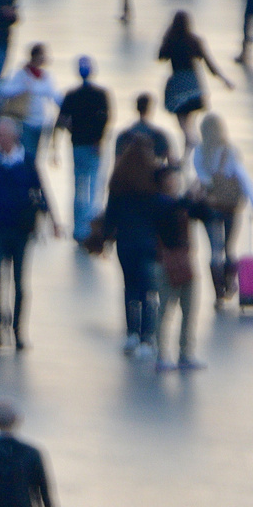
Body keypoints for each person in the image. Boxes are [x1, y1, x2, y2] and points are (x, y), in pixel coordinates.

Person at [0, 118, 58, 350]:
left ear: (13, 137)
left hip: (21, 231)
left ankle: (18, 330)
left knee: (20, 283)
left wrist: (52, 219)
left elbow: (41, 189)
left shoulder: (27, 161)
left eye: (2, 136)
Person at [97, 136, 163, 358]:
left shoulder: (119, 181)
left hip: (125, 243)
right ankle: (148, 336)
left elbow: (111, 215)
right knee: (149, 290)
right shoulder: (154, 181)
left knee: (130, 288)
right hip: (149, 242)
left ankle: (131, 333)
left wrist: (104, 239)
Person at [191, 113, 253, 307]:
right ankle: (230, 283)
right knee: (229, 248)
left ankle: (218, 294)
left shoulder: (199, 151)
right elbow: (242, 176)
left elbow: (201, 176)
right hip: (230, 207)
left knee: (214, 250)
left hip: (210, 205)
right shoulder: (230, 151)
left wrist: (209, 186)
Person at [152, 166, 208, 370]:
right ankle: (161, 353)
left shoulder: (178, 202)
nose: (175, 182)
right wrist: (190, 197)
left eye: (176, 178)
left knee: (190, 309)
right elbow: (172, 209)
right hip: (165, 262)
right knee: (164, 309)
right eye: (171, 179)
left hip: (184, 260)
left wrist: (200, 199)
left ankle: (186, 352)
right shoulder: (158, 201)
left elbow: (203, 214)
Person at [54, 56, 112, 245]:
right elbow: (106, 118)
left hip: (77, 145)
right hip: (94, 146)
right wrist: (99, 138)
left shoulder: (71, 95)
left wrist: (56, 144)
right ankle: (91, 227)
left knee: (79, 186)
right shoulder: (100, 94)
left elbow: (61, 120)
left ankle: (78, 228)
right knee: (94, 186)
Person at [157, 12, 232, 151]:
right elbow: (210, 64)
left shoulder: (171, 40)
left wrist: (166, 35)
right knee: (190, 118)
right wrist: (224, 79)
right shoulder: (195, 40)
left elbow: (160, 56)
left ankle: (190, 139)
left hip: (178, 82)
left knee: (181, 117)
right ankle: (190, 142)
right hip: (194, 82)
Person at [0, 43, 58, 163]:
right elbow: (2, 89)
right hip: (25, 122)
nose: (43, 58)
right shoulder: (21, 74)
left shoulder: (46, 77)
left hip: (42, 123)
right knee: (27, 154)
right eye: (41, 55)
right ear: (34, 56)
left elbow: (55, 96)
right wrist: (22, 87)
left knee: (38, 156)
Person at [113, 93, 172, 164]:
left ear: (137, 108)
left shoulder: (124, 135)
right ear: (150, 108)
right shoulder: (158, 135)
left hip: (130, 172)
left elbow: (117, 162)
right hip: (152, 173)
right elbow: (170, 161)